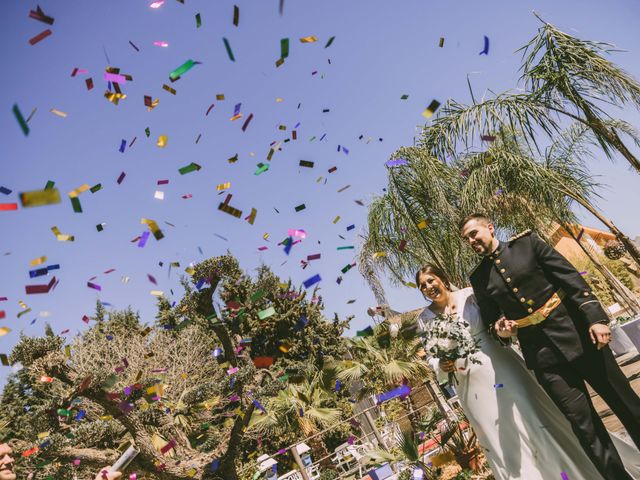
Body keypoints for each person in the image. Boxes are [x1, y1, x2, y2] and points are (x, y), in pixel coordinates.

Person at [417, 264, 640, 479]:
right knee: (497, 433)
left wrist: (506, 331)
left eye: (430, 280)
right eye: (423, 286)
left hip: (500, 365)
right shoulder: (424, 320)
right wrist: (441, 365)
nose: (428, 287)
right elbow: (431, 355)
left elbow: (497, 322)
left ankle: (566, 472)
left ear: (441, 278)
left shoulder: (470, 296)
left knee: (532, 415)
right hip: (468, 385)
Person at [460, 213, 640, 480]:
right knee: (585, 428)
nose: (471, 240)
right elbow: (492, 322)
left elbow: (572, 280)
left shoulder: (528, 244)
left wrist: (597, 319)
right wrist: (502, 330)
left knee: (625, 403)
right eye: (466, 239)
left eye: (473, 233)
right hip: (543, 358)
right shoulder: (479, 278)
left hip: (582, 338)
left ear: (489, 227)